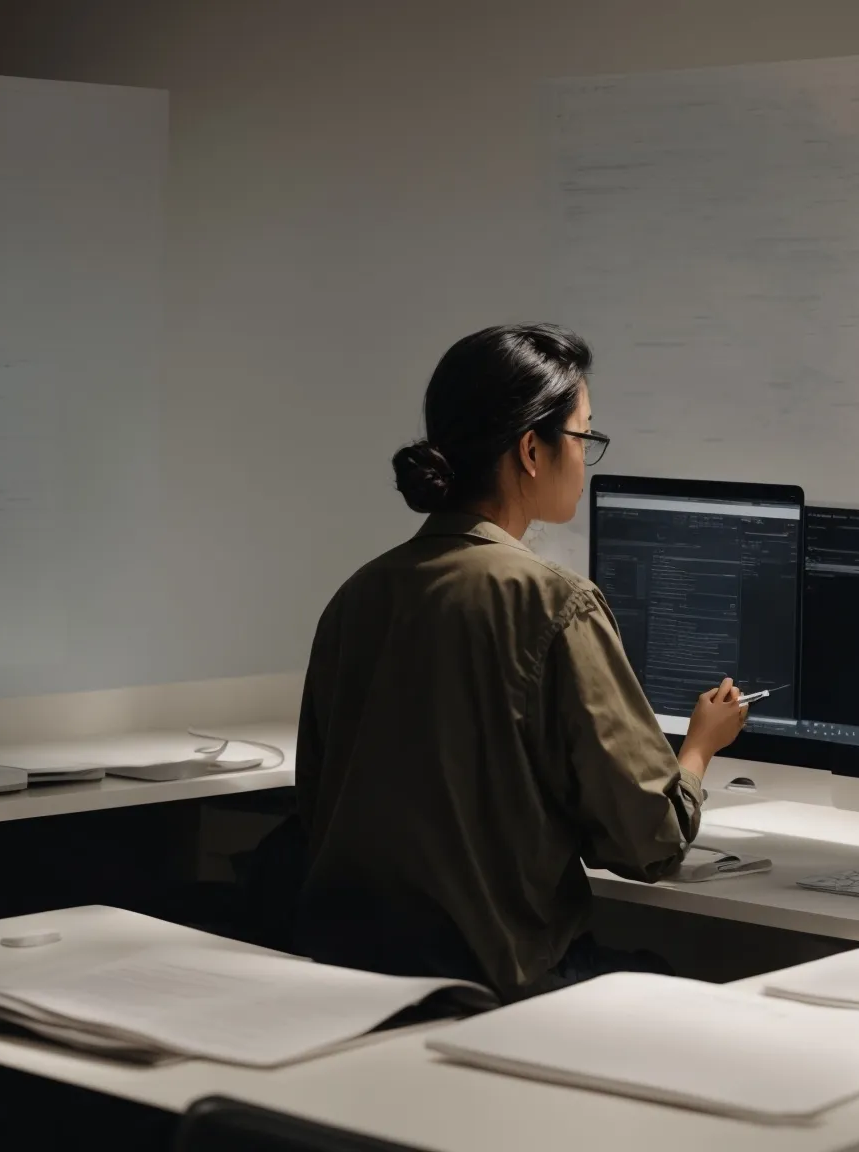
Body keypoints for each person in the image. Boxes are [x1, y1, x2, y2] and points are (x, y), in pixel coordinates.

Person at [292, 323, 749, 999]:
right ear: (532, 449)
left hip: (347, 987)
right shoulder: (555, 603)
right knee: (693, 989)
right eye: (584, 436)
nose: (587, 457)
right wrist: (700, 749)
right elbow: (648, 840)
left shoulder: (358, 595)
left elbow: (319, 803)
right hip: (501, 984)